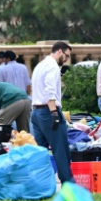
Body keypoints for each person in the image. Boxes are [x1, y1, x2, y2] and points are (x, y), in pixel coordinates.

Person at [31, 41, 74, 183]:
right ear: (60, 52)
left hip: (36, 113)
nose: (67, 59)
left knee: (39, 152)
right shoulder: (52, 66)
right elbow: (49, 91)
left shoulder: (40, 65)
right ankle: (68, 184)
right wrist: (54, 113)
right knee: (60, 149)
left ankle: (38, 184)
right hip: (48, 112)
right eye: (66, 56)